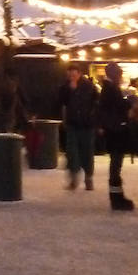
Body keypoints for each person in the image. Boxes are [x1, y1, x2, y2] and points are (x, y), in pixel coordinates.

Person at [97, 61, 134, 211]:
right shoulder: (111, 89)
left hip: (112, 130)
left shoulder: (108, 88)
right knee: (116, 164)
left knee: (115, 163)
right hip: (116, 130)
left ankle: (117, 196)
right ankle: (116, 198)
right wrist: (129, 102)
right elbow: (119, 107)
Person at [58, 62, 98, 191]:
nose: (72, 78)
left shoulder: (88, 86)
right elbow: (62, 103)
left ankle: (88, 178)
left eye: (74, 75)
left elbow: (96, 103)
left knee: (87, 152)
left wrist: (93, 117)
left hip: (87, 124)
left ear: (79, 74)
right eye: (70, 75)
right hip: (73, 124)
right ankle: (74, 179)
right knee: (72, 152)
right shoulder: (65, 87)